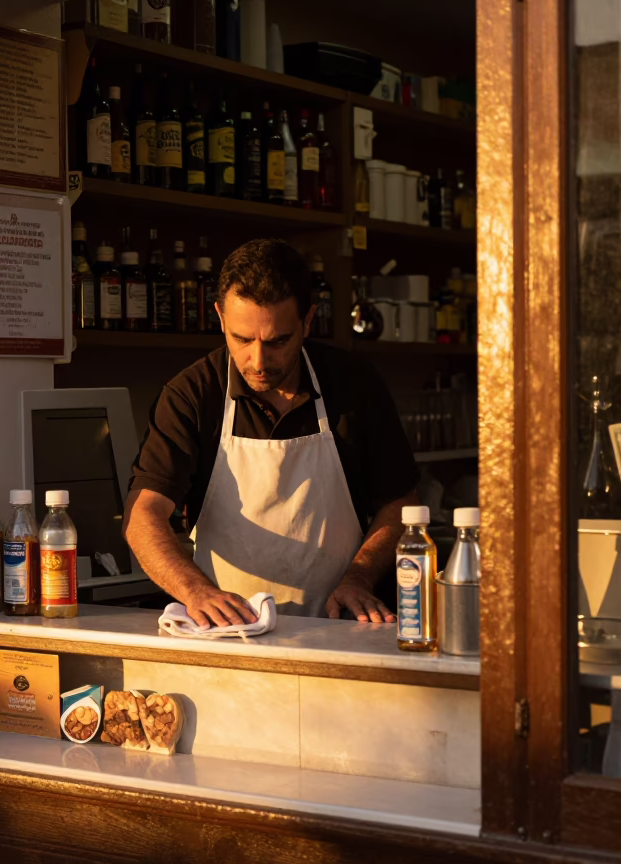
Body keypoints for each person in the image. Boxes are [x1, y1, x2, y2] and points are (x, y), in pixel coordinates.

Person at [123, 239, 418, 628]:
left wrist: (359, 577)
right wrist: (196, 592)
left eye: (278, 341)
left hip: (343, 625)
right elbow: (143, 514)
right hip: (229, 633)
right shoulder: (192, 395)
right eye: (242, 340)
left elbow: (402, 503)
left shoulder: (354, 386)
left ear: (308, 322)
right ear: (220, 318)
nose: (258, 361)